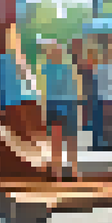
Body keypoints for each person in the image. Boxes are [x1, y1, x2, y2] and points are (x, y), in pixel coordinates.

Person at [42, 42, 81, 182]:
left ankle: (60, 172)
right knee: (65, 140)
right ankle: (69, 171)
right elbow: (75, 87)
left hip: (59, 104)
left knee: (60, 140)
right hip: (65, 103)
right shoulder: (66, 68)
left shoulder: (48, 68)